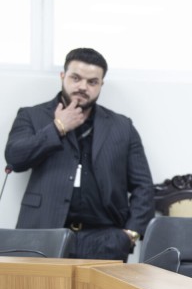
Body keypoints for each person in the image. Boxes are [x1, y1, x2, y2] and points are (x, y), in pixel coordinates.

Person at [4, 47, 154, 260]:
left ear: (101, 85)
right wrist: (58, 127)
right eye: (76, 78)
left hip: (106, 240)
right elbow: (15, 159)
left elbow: (143, 186)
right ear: (62, 76)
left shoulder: (122, 126)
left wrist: (130, 233)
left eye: (92, 82)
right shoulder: (31, 115)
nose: (83, 87)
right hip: (42, 234)